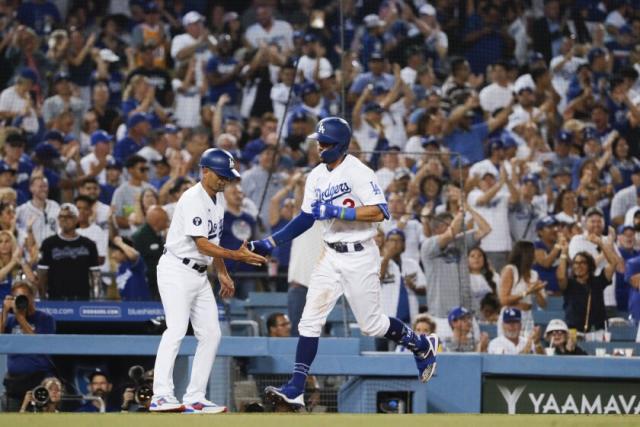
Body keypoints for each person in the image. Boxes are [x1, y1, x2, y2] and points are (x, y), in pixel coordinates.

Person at [249, 117, 438, 411]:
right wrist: (271, 242)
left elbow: (380, 211)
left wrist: (338, 211)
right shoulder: (315, 176)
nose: (319, 147)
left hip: (361, 254)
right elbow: (305, 218)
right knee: (308, 322)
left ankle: (421, 344)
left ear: (340, 145)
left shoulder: (359, 172)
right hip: (330, 255)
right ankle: (296, 387)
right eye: (318, 142)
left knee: (372, 325)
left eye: (325, 143)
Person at [150, 148, 266, 413]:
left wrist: (223, 271)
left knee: (212, 334)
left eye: (228, 175)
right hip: (176, 269)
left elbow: (212, 242)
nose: (225, 180)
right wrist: (236, 255)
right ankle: (161, 395)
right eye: (221, 175)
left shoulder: (218, 200)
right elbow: (201, 244)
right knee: (177, 329)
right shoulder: (193, 198)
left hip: (200, 274)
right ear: (205, 171)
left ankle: (195, 397)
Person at [420, 205, 492, 319]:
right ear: (436, 229)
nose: (455, 226)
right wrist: (461, 211)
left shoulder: (460, 241)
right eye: (447, 224)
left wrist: (469, 207)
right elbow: (451, 233)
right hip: (441, 313)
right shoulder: (428, 245)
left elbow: (486, 229)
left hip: (465, 311)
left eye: (453, 223)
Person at [1, 281, 56, 412]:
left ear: (32, 297)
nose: (21, 300)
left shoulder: (45, 319)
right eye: (17, 297)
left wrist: (20, 317)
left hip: (38, 381)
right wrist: (4, 311)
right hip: (14, 383)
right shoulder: (10, 320)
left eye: (24, 297)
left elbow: (38, 344)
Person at [37, 204, 101, 300]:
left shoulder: (89, 244)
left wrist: (96, 300)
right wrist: (43, 300)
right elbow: (42, 274)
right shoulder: (48, 244)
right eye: (61, 217)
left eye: (68, 217)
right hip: (56, 299)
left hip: (81, 299)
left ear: (76, 219)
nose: (64, 219)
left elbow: (95, 275)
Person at [558, 241, 620, 338]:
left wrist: (601, 244)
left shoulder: (598, 281)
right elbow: (561, 277)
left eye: (582, 262)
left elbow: (614, 263)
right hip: (573, 332)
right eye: (575, 263)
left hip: (598, 331)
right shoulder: (569, 284)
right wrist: (563, 254)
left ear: (590, 265)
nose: (578, 266)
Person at [499, 241, 547, 336]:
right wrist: (526, 292)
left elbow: (543, 304)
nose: (536, 255)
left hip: (528, 316)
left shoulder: (534, 274)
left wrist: (537, 292)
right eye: (533, 252)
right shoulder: (510, 270)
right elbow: (503, 300)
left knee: (527, 347)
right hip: (510, 317)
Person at [132, 205, 169, 301]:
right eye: (166, 220)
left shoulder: (158, 234)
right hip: (146, 283)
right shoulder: (140, 236)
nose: (168, 223)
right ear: (157, 221)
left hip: (159, 281)